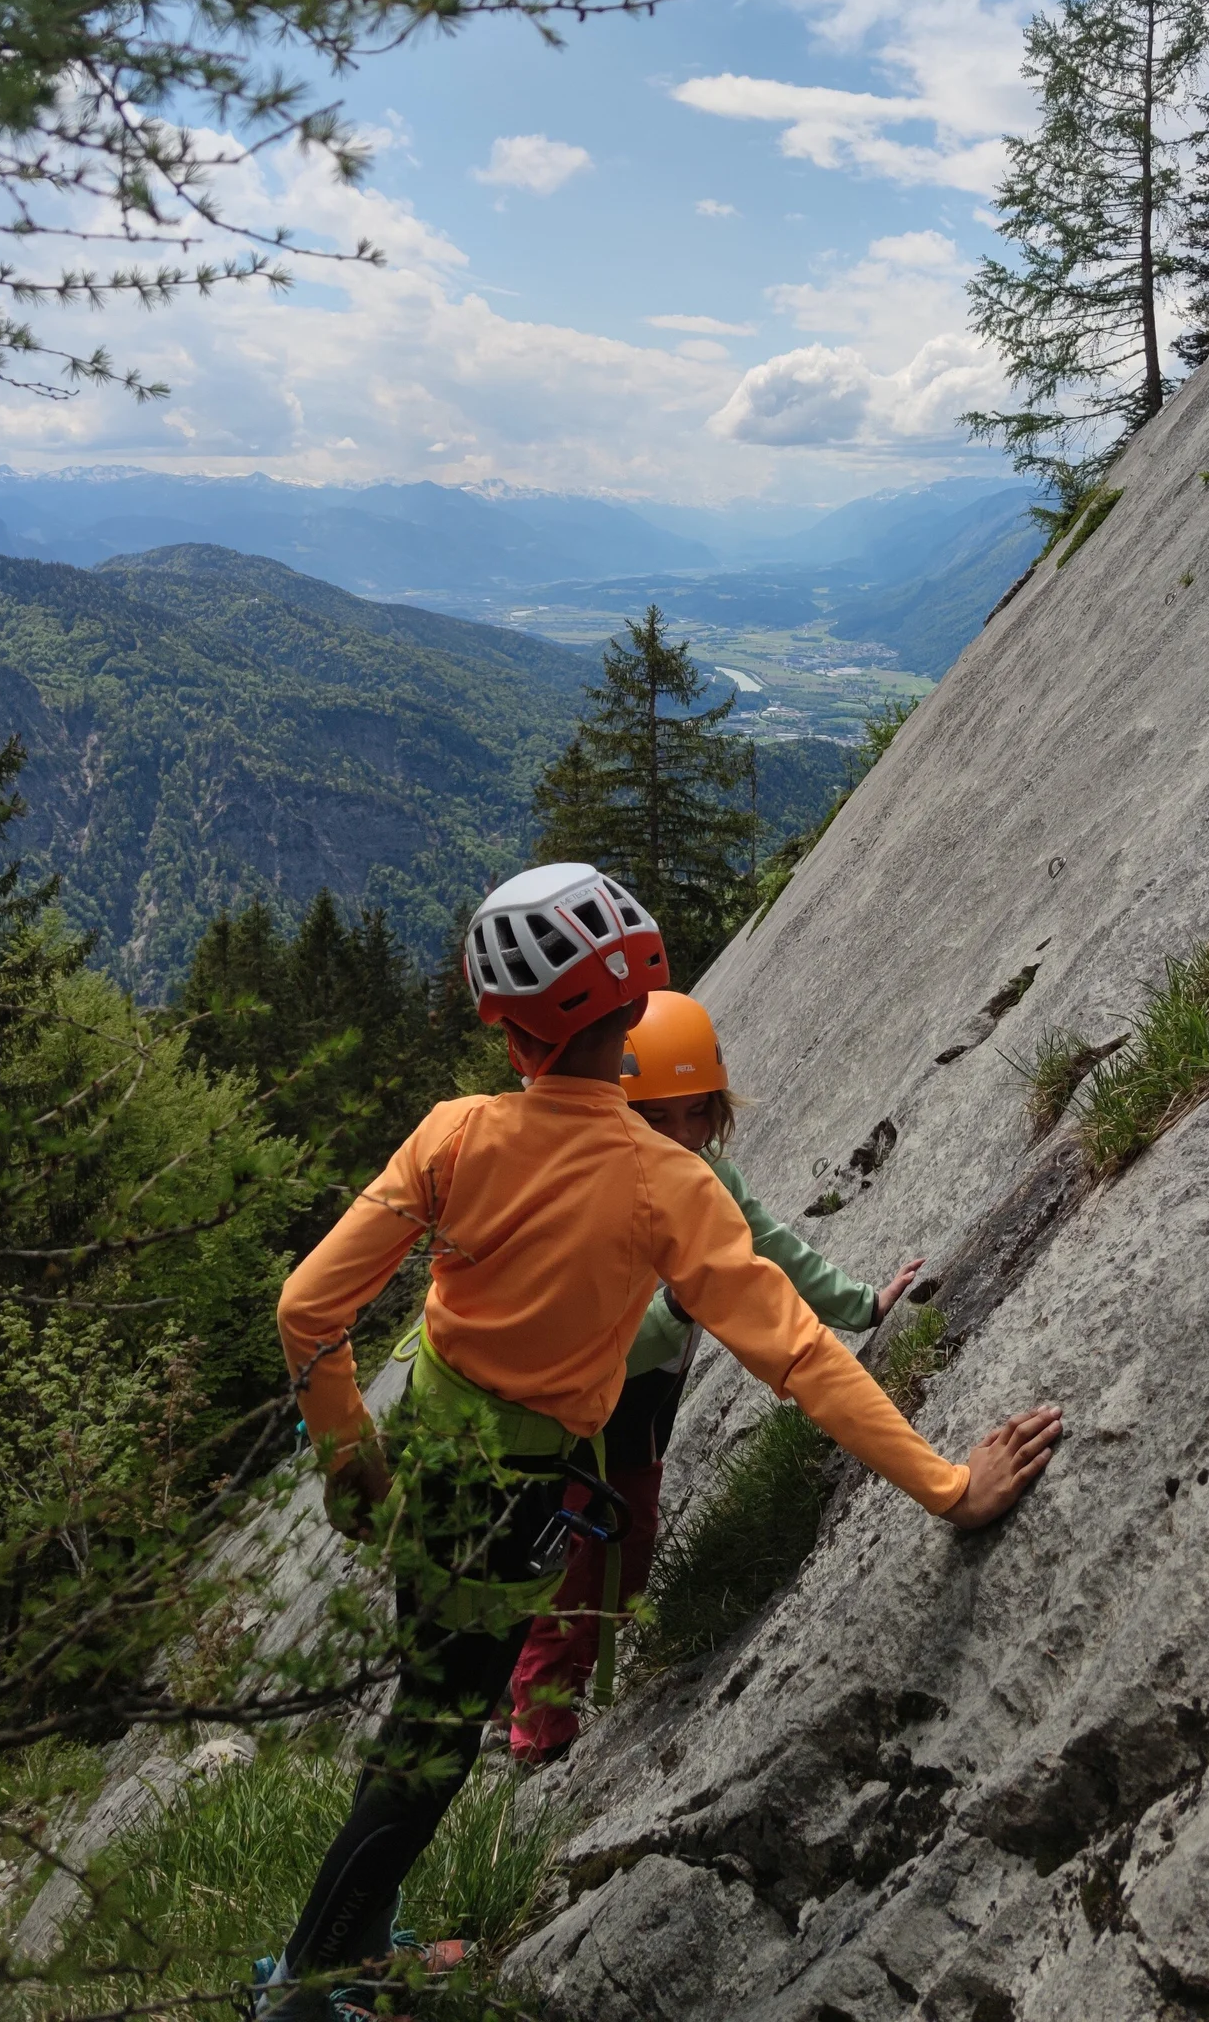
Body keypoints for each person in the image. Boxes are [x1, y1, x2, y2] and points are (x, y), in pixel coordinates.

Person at [259, 863, 1061, 2020]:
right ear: (637, 1008)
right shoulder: (664, 1180)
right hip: (518, 1495)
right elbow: (798, 1353)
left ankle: (350, 1943)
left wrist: (350, 1466)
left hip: (424, 1461)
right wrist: (947, 1485)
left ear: (509, 1026)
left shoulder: (453, 1137)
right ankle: (307, 1987)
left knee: (429, 1718)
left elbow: (305, 1312)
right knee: (428, 1747)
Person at [507, 989, 925, 1766]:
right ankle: (537, 1731)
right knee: (567, 1585)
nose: (683, 1134)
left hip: (641, 1428)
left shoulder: (712, 1183)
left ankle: (595, 1672)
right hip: (572, 1431)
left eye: (696, 1113)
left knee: (628, 1559)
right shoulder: (598, 1198)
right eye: (657, 1118)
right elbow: (599, 1342)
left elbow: (773, 1250)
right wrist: (677, 1304)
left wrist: (863, 1304)